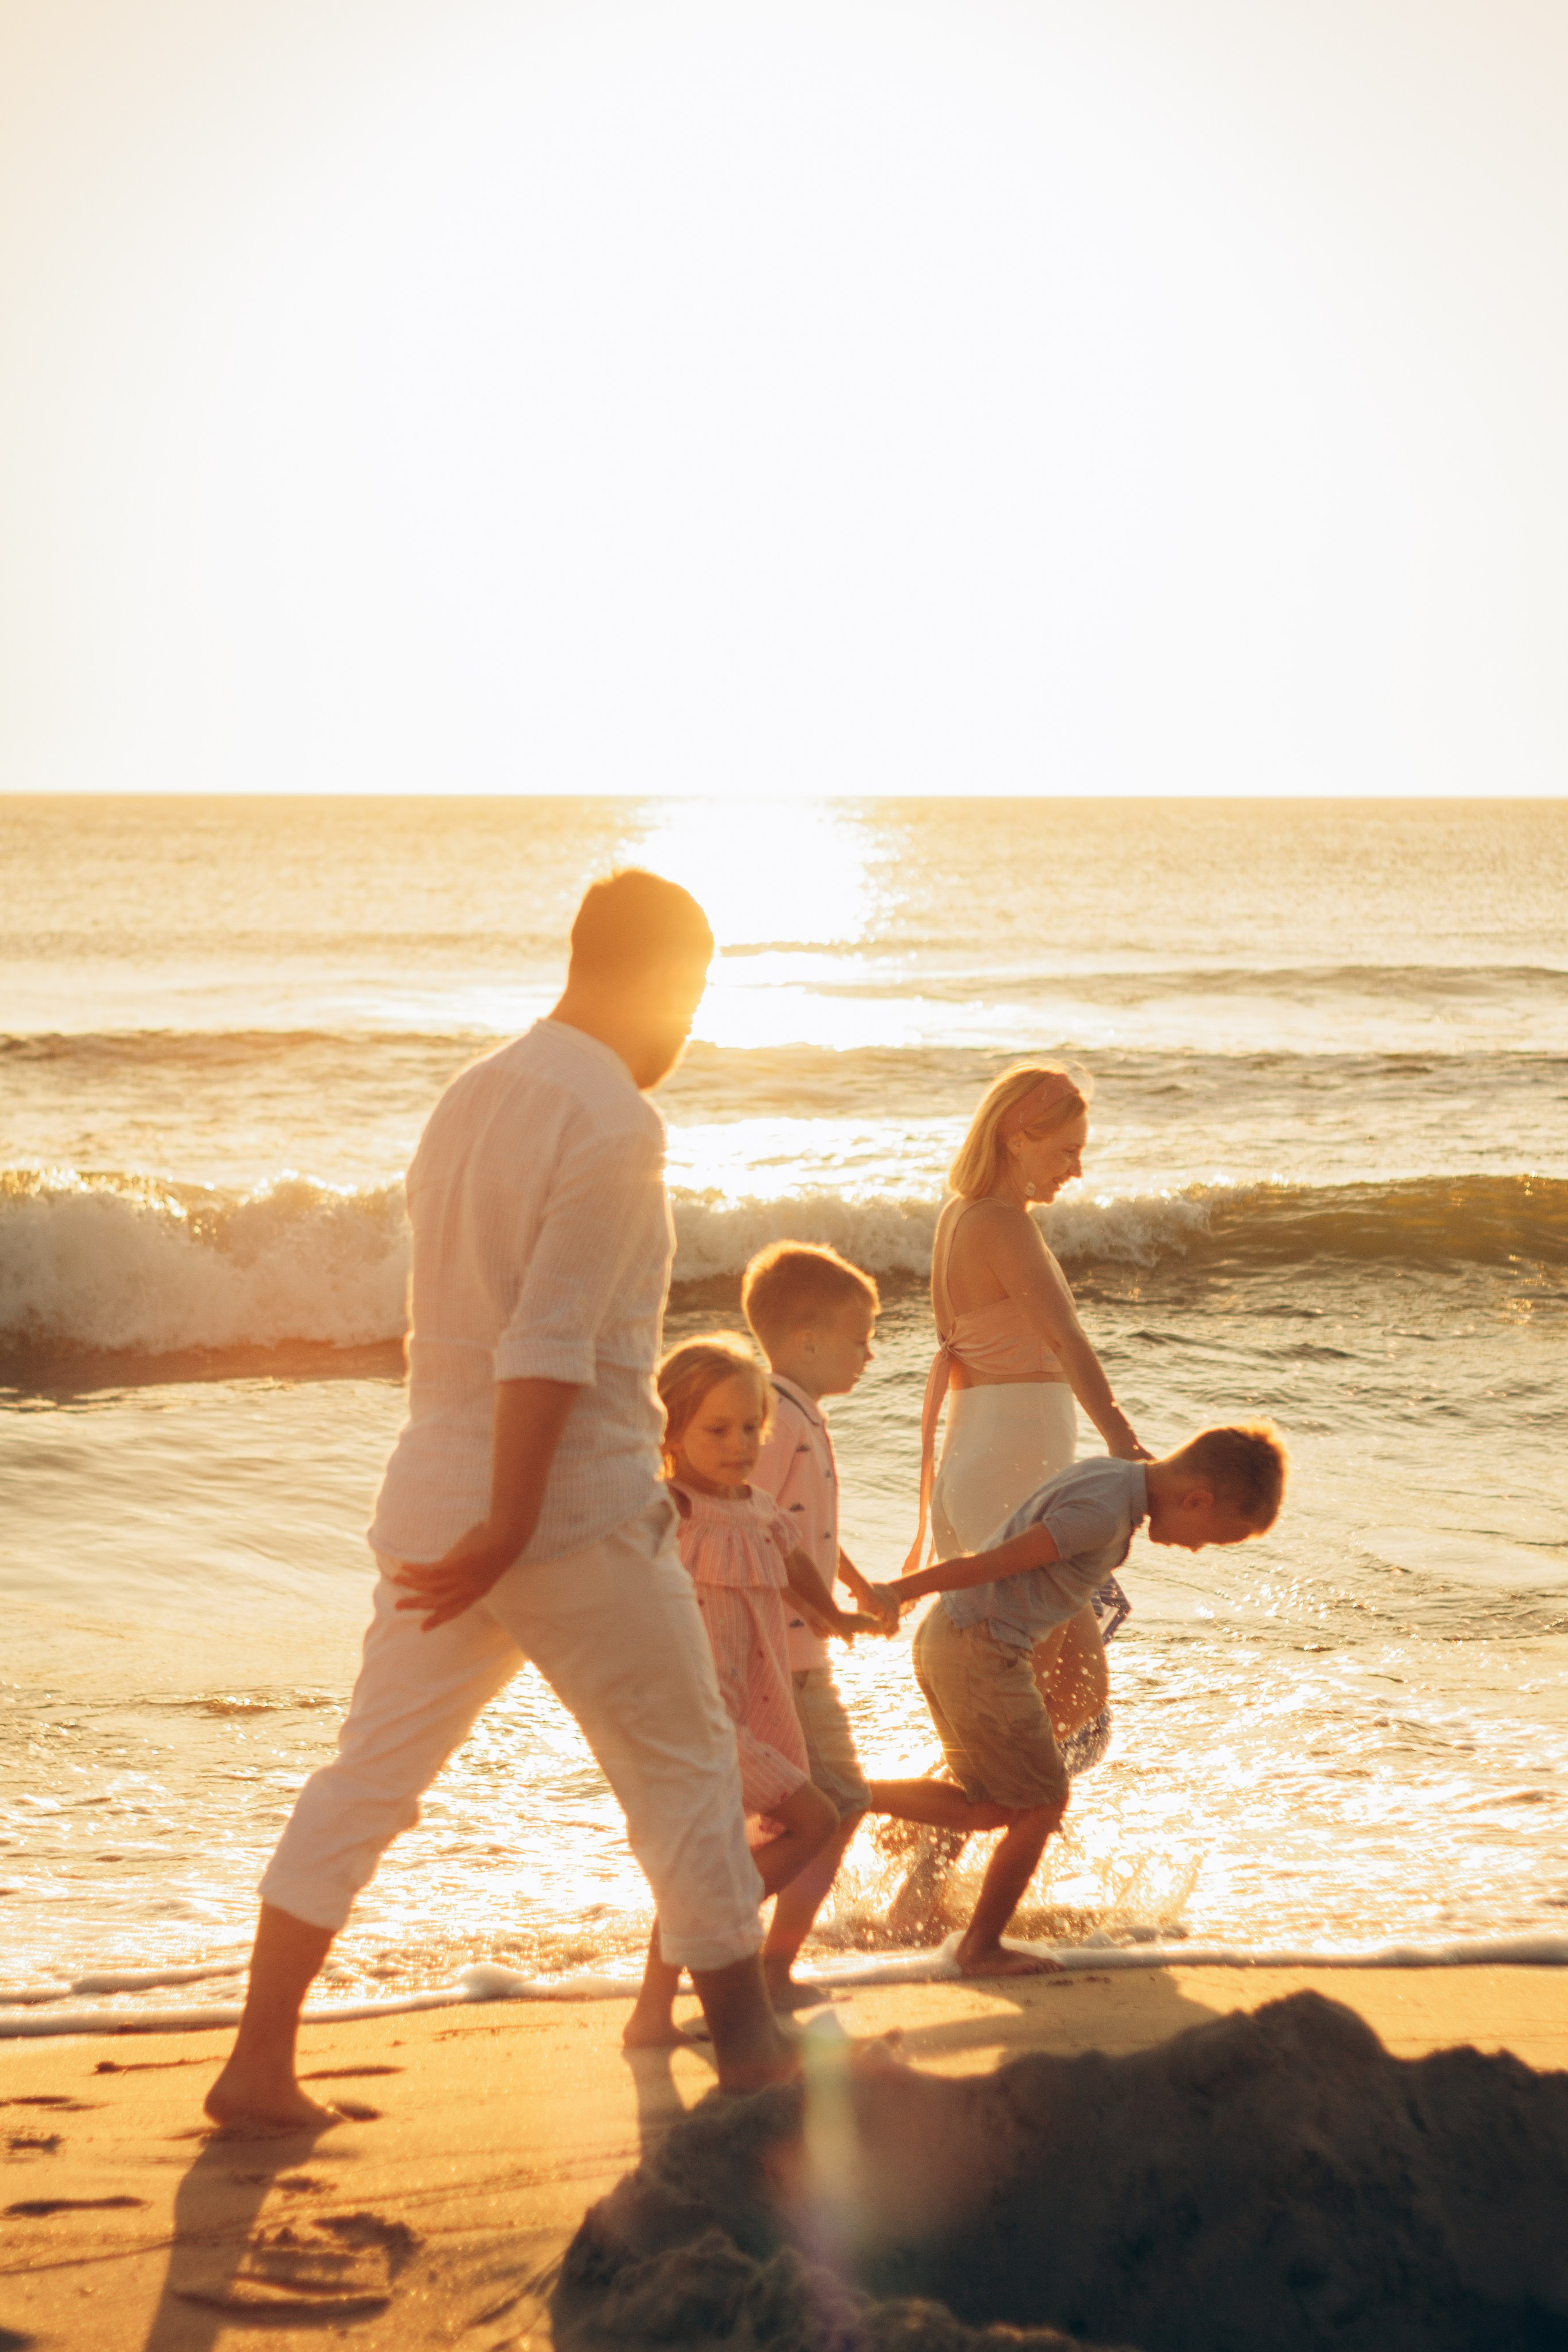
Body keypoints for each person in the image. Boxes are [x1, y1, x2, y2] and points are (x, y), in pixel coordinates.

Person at [206, 870, 796, 2130]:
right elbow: (548, 1338)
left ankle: (256, 2064)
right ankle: (749, 2056)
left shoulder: (471, 1093)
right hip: (562, 1510)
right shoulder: (614, 1120)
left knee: (367, 1776)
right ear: (652, 978)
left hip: (432, 1491)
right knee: (684, 1765)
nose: (689, 1024)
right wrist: (516, 1523)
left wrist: (477, 1520)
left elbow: (453, 1321)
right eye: (691, 991)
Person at [867, 1425, 1288, 1978]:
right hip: (980, 1647)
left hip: (954, 1637)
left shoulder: (1111, 1477)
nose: (1194, 1548)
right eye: (1208, 1536)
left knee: (987, 1804)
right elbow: (994, 1563)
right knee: (1041, 1805)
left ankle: (847, 1793)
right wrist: (898, 1592)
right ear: (1197, 1500)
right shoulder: (1103, 1516)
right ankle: (980, 1946)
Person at [622, 1336, 889, 2048]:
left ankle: (652, 2013)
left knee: (707, 1862)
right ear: (669, 1431)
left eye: (751, 1429)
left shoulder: (757, 1506)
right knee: (813, 1819)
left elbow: (796, 1562)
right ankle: (709, 1940)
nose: (739, 1444)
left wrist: (834, 1617)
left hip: (755, 1702)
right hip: (695, 1715)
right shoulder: (663, 1511)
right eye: (717, 1430)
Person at [910, 1063, 1148, 1774]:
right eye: (1066, 1150)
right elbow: (1065, 1340)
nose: (1077, 1170)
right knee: (1075, 1717)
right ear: (1018, 1136)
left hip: (991, 1466)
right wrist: (1123, 1444)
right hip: (1009, 1478)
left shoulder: (966, 1215)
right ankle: (923, 1849)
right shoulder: (997, 1223)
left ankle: (922, 1863)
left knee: (1027, 1713)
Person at [741, 1242, 885, 2008]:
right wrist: (825, 1611)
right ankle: (746, 1954)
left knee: (825, 1804)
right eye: (859, 1337)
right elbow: (749, 1526)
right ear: (806, 1342)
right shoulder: (774, 1419)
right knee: (830, 1803)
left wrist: (853, 1582)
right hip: (778, 1658)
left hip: (801, 1654)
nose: (870, 1352)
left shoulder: (798, 1414)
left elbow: (799, 1528)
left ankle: (758, 1961)